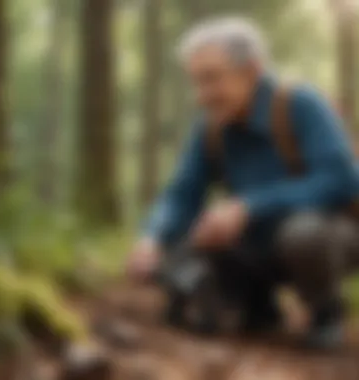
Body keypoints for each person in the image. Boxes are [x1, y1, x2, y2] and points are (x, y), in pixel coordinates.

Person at [126, 17, 359, 348]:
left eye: (211, 79)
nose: (201, 95)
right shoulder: (210, 127)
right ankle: (257, 305)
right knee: (177, 249)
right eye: (196, 82)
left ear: (251, 70)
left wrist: (250, 206)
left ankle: (326, 312)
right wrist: (151, 238)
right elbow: (182, 194)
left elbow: (342, 180)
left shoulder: (300, 104)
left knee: (304, 234)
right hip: (256, 241)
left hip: (329, 234)